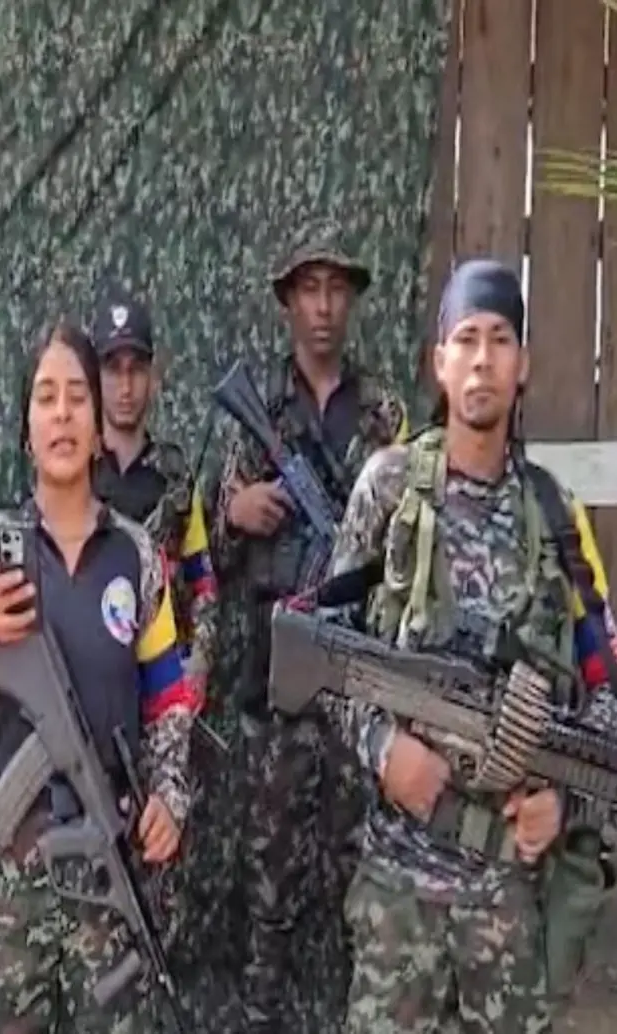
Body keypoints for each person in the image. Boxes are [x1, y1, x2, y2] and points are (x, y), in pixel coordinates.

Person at [329, 258, 617, 1033]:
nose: (483, 357)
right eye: (467, 338)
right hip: (397, 898)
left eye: (500, 339)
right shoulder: (388, 490)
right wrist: (387, 750)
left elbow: (605, 697)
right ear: (440, 362)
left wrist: (564, 803)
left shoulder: (555, 518)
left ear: (523, 364)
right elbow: (323, 659)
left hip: (505, 904)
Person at [0, 321, 199, 1032]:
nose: (65, 413)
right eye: (46, 397)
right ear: (26, 427)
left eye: (79, 396)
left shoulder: (136, 558)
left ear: (102, 426)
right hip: (13, 878)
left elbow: (169, 699)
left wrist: (171, 796)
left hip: (108, 865)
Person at [214, 218, 407, 1033]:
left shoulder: (384, 416)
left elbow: (412, 544)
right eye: (309, 290)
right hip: (277, 685)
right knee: (269, 888)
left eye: (336, 289)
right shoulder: (257, 409)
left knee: (358, 883)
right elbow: (205, 545)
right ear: (288, 302)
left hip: (359, 688)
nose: (323, 307)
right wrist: (237, 512)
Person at [89, 290, 220, 975]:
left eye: (137, 367)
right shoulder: (69, 469)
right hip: (93, 713)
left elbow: (204, 589)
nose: (126, 384)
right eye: (112, 367)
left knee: (155, 891)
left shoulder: (177, 478)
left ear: (156, 374)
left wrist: (190, 685)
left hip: (160, 718)